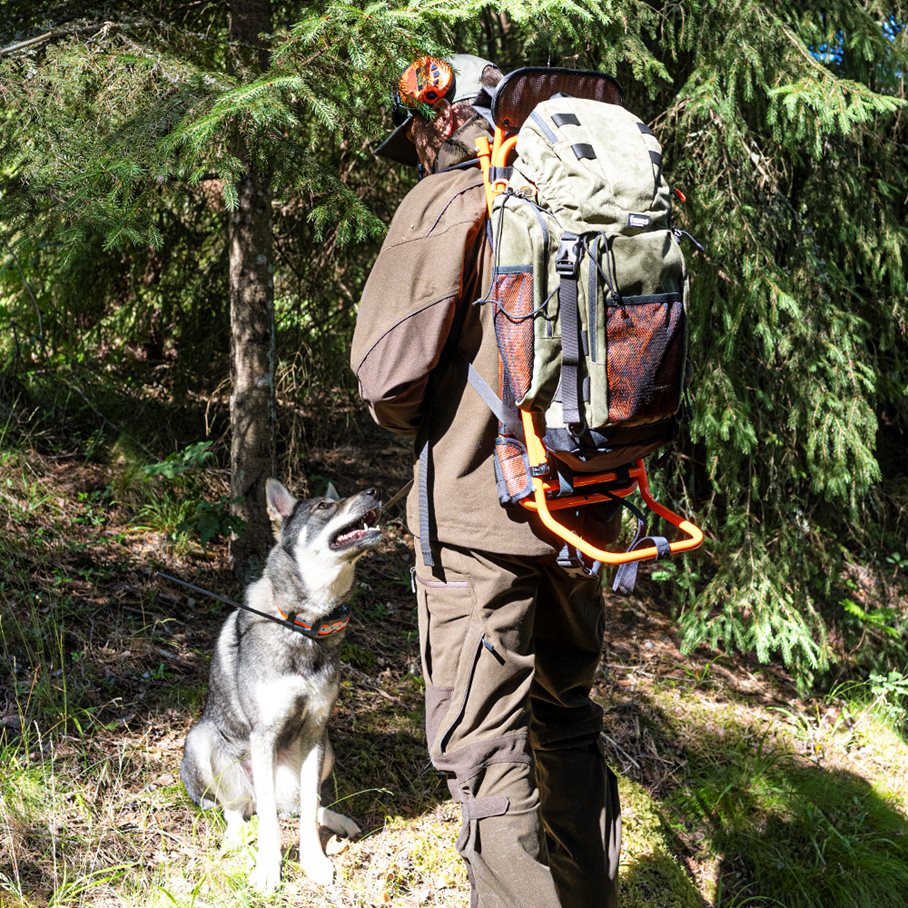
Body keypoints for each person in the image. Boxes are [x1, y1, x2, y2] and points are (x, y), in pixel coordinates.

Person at [350, 54, 622, 908]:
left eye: (418, 135)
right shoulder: (594, 193)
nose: (418, 153)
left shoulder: (455, 195)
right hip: (585, 516)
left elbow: (384, 381)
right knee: (567, 718)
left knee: (487, 752)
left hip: (480, 517)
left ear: (442, 117)